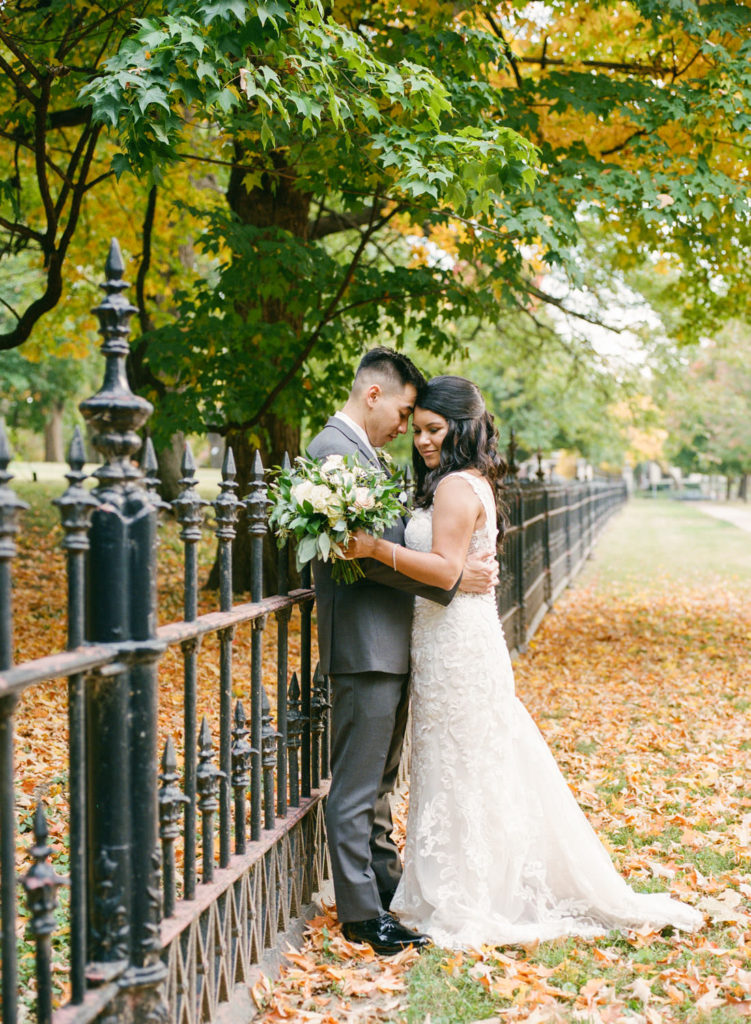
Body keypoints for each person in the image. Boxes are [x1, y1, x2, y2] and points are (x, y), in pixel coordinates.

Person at [344, 375, 703, 948]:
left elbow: (442, 568)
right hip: (447, 638)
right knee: (458, 761)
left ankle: (471, 891)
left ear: (463, 426)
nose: (423, 441)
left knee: (463, 760)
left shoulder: (456, 489)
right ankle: (459, 880)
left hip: (457, 643)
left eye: (434, 430)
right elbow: (455, 568)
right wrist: (456, 573)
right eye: (417, 431)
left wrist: (374, 548)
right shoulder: (465, 482)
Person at [307, 350, 498, 956]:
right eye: (405, 414)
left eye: (424, 424)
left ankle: (386, 894)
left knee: (380, 786)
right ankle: (364, 916)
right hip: (364, 646)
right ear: (373, 396)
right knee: (359, 789)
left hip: (390, 644)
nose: (408, 431)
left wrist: (446, 574)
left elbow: (375, 546)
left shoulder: (364, 456)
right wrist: (446, 577)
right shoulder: (333, 453)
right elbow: (354, 553)